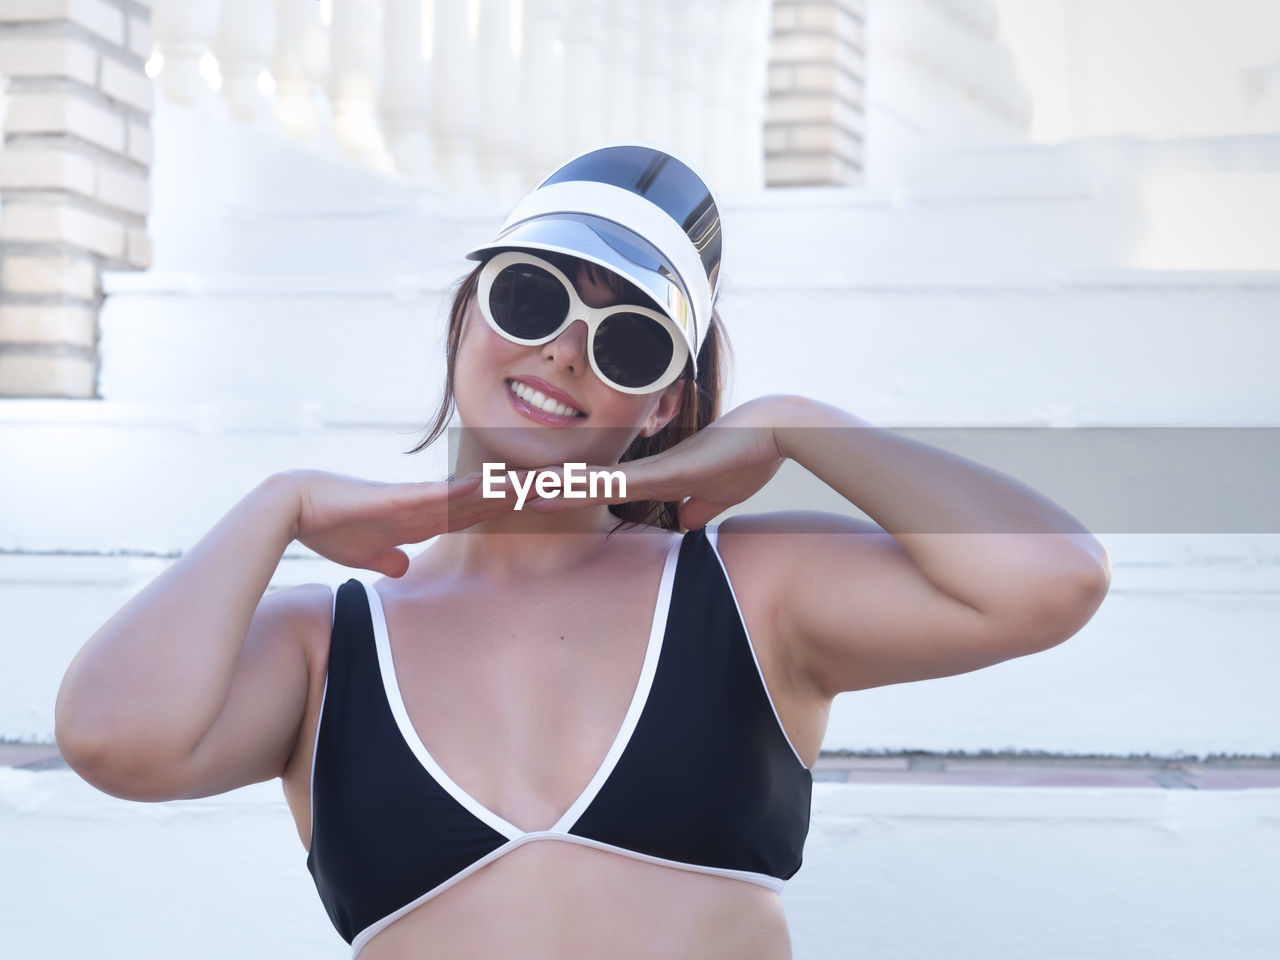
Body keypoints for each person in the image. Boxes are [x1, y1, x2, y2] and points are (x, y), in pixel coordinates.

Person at [54, 144, 1111, 960]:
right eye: (531, 297)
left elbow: (1049, 579)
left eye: (628, 340)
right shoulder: (324, 643)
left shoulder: (747, 592)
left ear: (661, 405)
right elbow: (113, 741)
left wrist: (791, 424)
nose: (563, 348)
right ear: (468, 312)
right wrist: (273, 504)